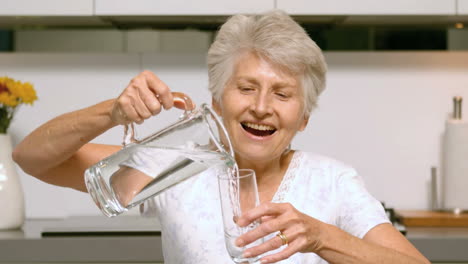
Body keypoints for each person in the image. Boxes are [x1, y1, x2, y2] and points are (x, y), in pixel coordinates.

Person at [13, 9, 429, 264]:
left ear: (303, 118)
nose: (262, 106)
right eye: (246, 88)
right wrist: (112, 111)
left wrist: (323, 237)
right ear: (215, 100)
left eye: (282, 94)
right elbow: (31, 158)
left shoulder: (334, 182)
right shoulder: (176, 168)